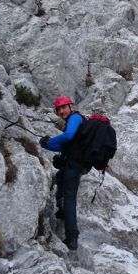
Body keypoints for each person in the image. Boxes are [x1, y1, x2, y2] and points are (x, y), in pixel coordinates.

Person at [40, 96, 91, 250]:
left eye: (63, 107)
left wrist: (52, 139)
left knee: (69, 199)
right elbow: (64, 147)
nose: (61, 111)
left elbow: (67, 136)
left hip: (75, 165)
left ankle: (72, 237)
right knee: (60, 177)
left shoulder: (75, 118)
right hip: (75, 163)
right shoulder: (73, 122)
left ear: (71, 107)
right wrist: (46, 145)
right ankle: (62, 211)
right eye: (59, 109)